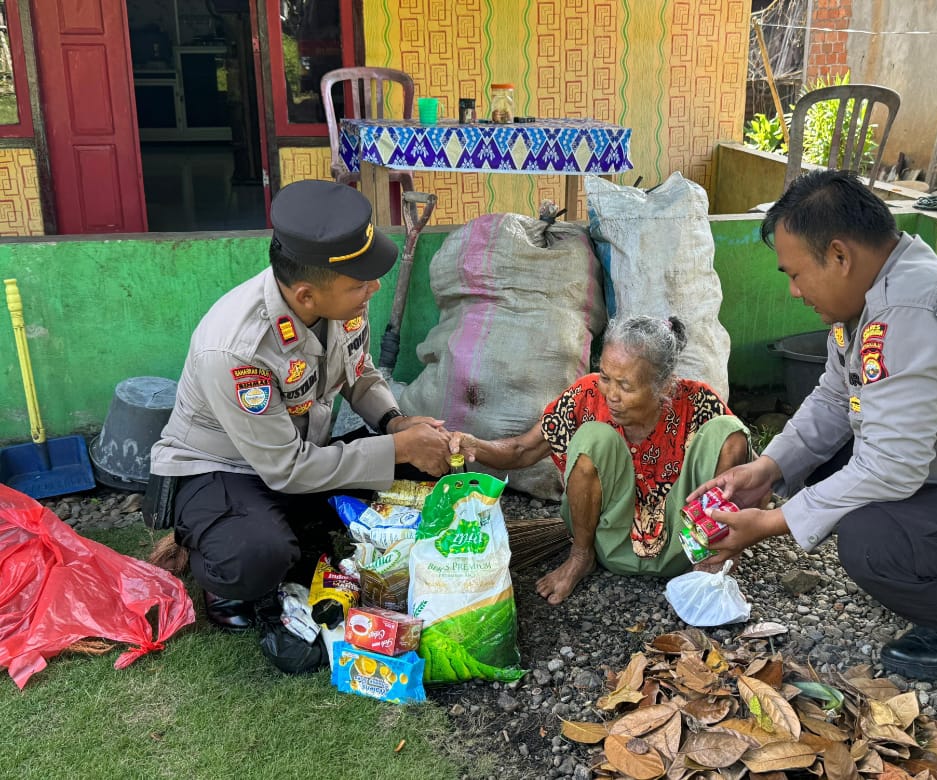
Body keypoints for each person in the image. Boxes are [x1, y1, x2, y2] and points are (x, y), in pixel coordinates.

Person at [690, 169, 937, 680]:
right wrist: (767, 469)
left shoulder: (911, 312)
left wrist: (770, 524)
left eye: (796, 274)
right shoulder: (875, 294)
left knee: (869, 538)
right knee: (828, 465)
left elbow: (892, 467)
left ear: (839, 256)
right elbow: (835, 398)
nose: (794, 291)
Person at [150, 180, 452, 631]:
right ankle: (220, 556)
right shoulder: (237, 348)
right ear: (307, 295)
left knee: (431, 457)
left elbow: (360, 372)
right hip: (227, 470)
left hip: (302, 456)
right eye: (360, 284)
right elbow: (285, 469)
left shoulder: (341, 301)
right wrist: (397, 448)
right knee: (258, 555)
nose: (373, 287)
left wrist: (396, 423)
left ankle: (295, 525)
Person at [450, 315, 750, 605]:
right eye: (606, 377)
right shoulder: (587, 395)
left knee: (729, 431)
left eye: (626, 386)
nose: (611, 395)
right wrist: (477, 446)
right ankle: (580, 558)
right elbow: (522, 449)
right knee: (593, 437)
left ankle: (713, 560)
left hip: (684, 546)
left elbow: (751, 471)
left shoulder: (698, 402)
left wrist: (742, 534)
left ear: (665, 387)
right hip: (610, 541)